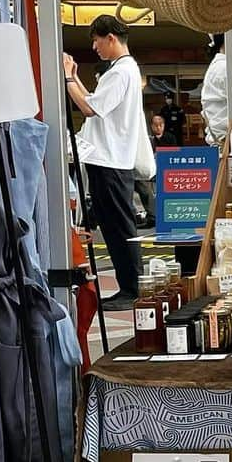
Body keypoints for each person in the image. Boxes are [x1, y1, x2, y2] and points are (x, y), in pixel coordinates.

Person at [63, 15, 145, 309]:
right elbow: (93, 101)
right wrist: (73, 78)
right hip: (110, 159)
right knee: (115, 227)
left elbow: (88, 108)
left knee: (119, 228)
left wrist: (69, 77)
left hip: (111, 160)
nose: (95, 47)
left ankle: (132, 289)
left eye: (97, 40)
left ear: (110, 37)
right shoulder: (123, 70)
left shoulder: (121, 72)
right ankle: (130, 287)